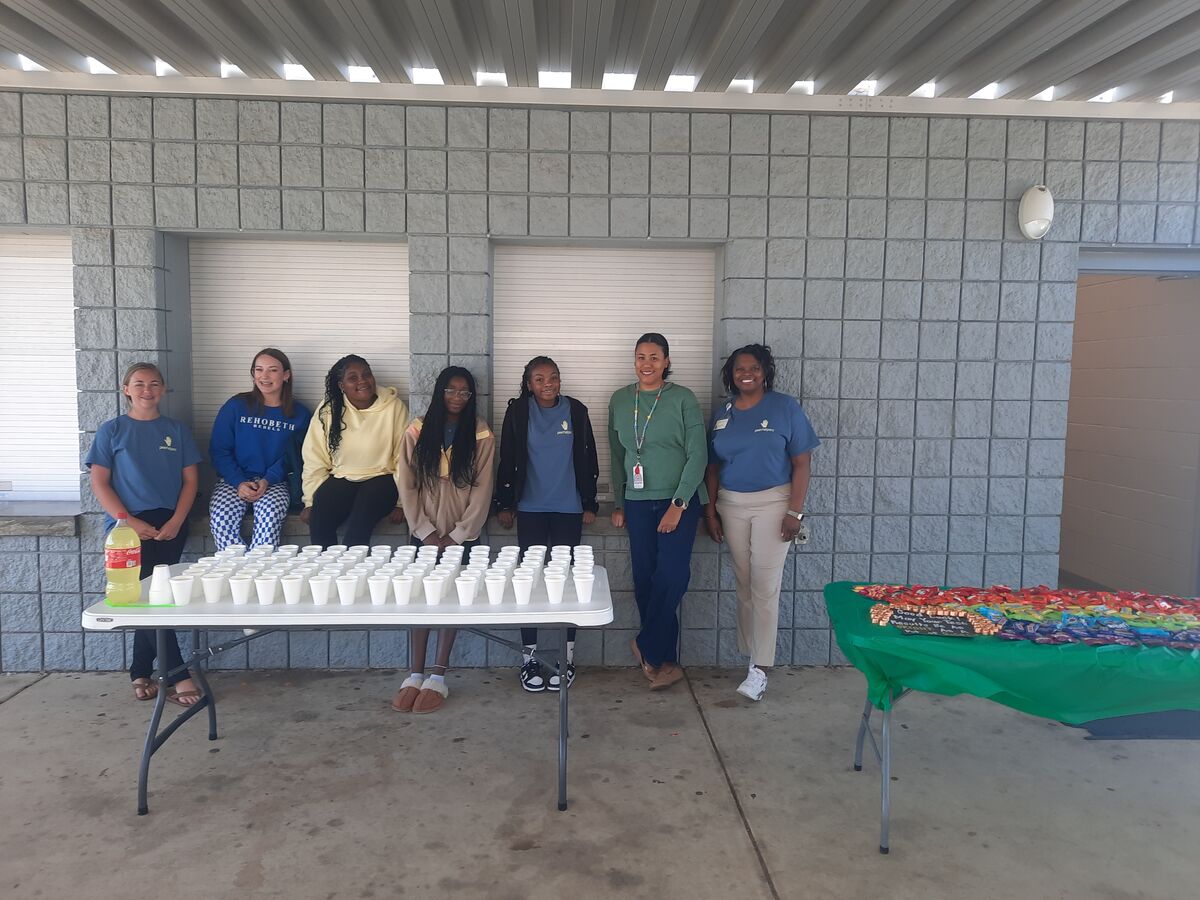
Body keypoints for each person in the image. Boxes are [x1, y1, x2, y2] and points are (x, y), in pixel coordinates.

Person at [704, 344, 819, 701]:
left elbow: (802, 462)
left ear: (765, 371)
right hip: (731, 505)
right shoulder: (723, 412)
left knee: (765, 584)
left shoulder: (784, 407)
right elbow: (712, 467)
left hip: (774, 503)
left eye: (753, 368)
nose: (746, 373)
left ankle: (760, 668)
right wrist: (711, 511)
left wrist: (794, 512)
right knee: (744, 582)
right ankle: (751, 655)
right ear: (731, 374)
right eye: (739, 369)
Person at [86, 363, 203, 706]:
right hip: (127, 529)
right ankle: (179, 674)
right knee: (151, 601)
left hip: (168, 525)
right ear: (126, 389)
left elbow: (191, 481)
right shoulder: (112, 431)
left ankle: (139, 670)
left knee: (152, 598)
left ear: (163, 390)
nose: (147, 390)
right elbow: (99, 482)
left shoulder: (175, 431)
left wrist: (178, 521)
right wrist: (129, 522)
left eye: (154, 384)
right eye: (139, 384)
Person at [609, 333, 707, 691]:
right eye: (640, 357)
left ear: (666, 361)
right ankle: (663, 661)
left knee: (672, 575)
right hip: (637, 502)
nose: (646, 363)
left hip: (678, 500)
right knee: (645, 579)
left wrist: (678, 505)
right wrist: (618, 502)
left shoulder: (683, 398)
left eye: (654, 357)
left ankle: (645, 645)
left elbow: (698, 455)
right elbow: (618, 457)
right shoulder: (620, 399)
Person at [394, 367, 495, 714]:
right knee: (421, 599)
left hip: (460, 534)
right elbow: (405, 482)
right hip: (423, 532)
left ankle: (438, 675)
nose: (457, 398)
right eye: (451, 391)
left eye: (464, 392)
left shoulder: (481, 433)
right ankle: (414, 673)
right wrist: (423, 530)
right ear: (440, 392)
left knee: (452, 598)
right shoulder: (418, 429)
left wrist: (458, 535)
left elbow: (483, 489)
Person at [495, 356, 600, 692]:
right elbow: (507, 456)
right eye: (539, 379)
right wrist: (505, 503)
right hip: (530, 508)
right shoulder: (518, 411)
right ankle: (530, 660)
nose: (548, 384)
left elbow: (589, 457)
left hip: (568, 508)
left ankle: (566, 659)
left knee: (567, 584)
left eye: (553, 377)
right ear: (529, 383)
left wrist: (589, 502)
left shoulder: (577, 411)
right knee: (529, 584)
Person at [208, 348, 312, 550]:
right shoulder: (236, 406)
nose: (264, 376)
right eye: (258, 370)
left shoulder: (300, 414)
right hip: (233, 481)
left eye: (272, 370)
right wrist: (239, 482)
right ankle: (237, 575)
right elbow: (219, 450)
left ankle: (261, 574)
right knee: (221, 520)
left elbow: (296, 456)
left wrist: (268, 480)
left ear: (286, 375)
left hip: (274, 482)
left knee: (269, 520)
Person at [300, 355, 408, 548]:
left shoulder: (394, 407)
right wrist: (310, 501)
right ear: (342, 385)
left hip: (382, 479)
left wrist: (401, 502)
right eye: (353, 377)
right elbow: (315, 457)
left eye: (367, 374)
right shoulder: (329, 409)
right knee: (319, 519)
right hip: (342, 478)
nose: (363, 381)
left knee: (359, 525)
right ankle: (326, 574)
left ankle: (353, 576)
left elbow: (403, 459)